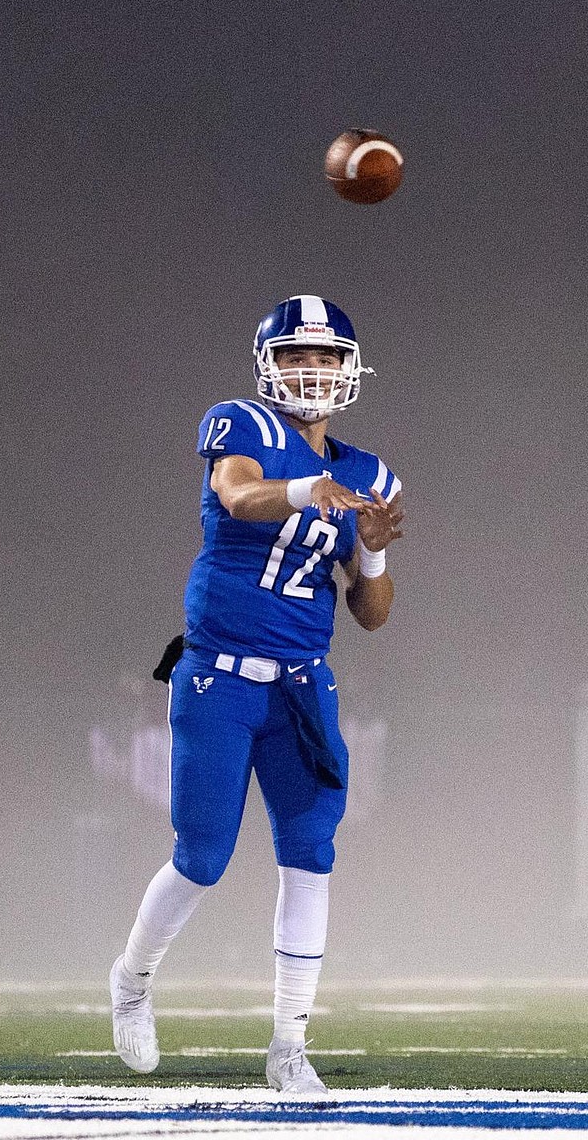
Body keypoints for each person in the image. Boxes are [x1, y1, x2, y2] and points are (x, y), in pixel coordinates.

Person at [110, 294, 403, 1095]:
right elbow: (240, 496)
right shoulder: (241, 425)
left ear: (350, 370)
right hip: (220, 676)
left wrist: (372, 557)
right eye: (299, 356)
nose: (313, 372)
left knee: (311, 856)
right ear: (270, 365)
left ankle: (289, 1045)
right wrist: (311, 493)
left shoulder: (369, 473)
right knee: (202, 856)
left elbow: (370, 615)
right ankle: (131, 982)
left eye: (328, 358)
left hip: (304, 687)